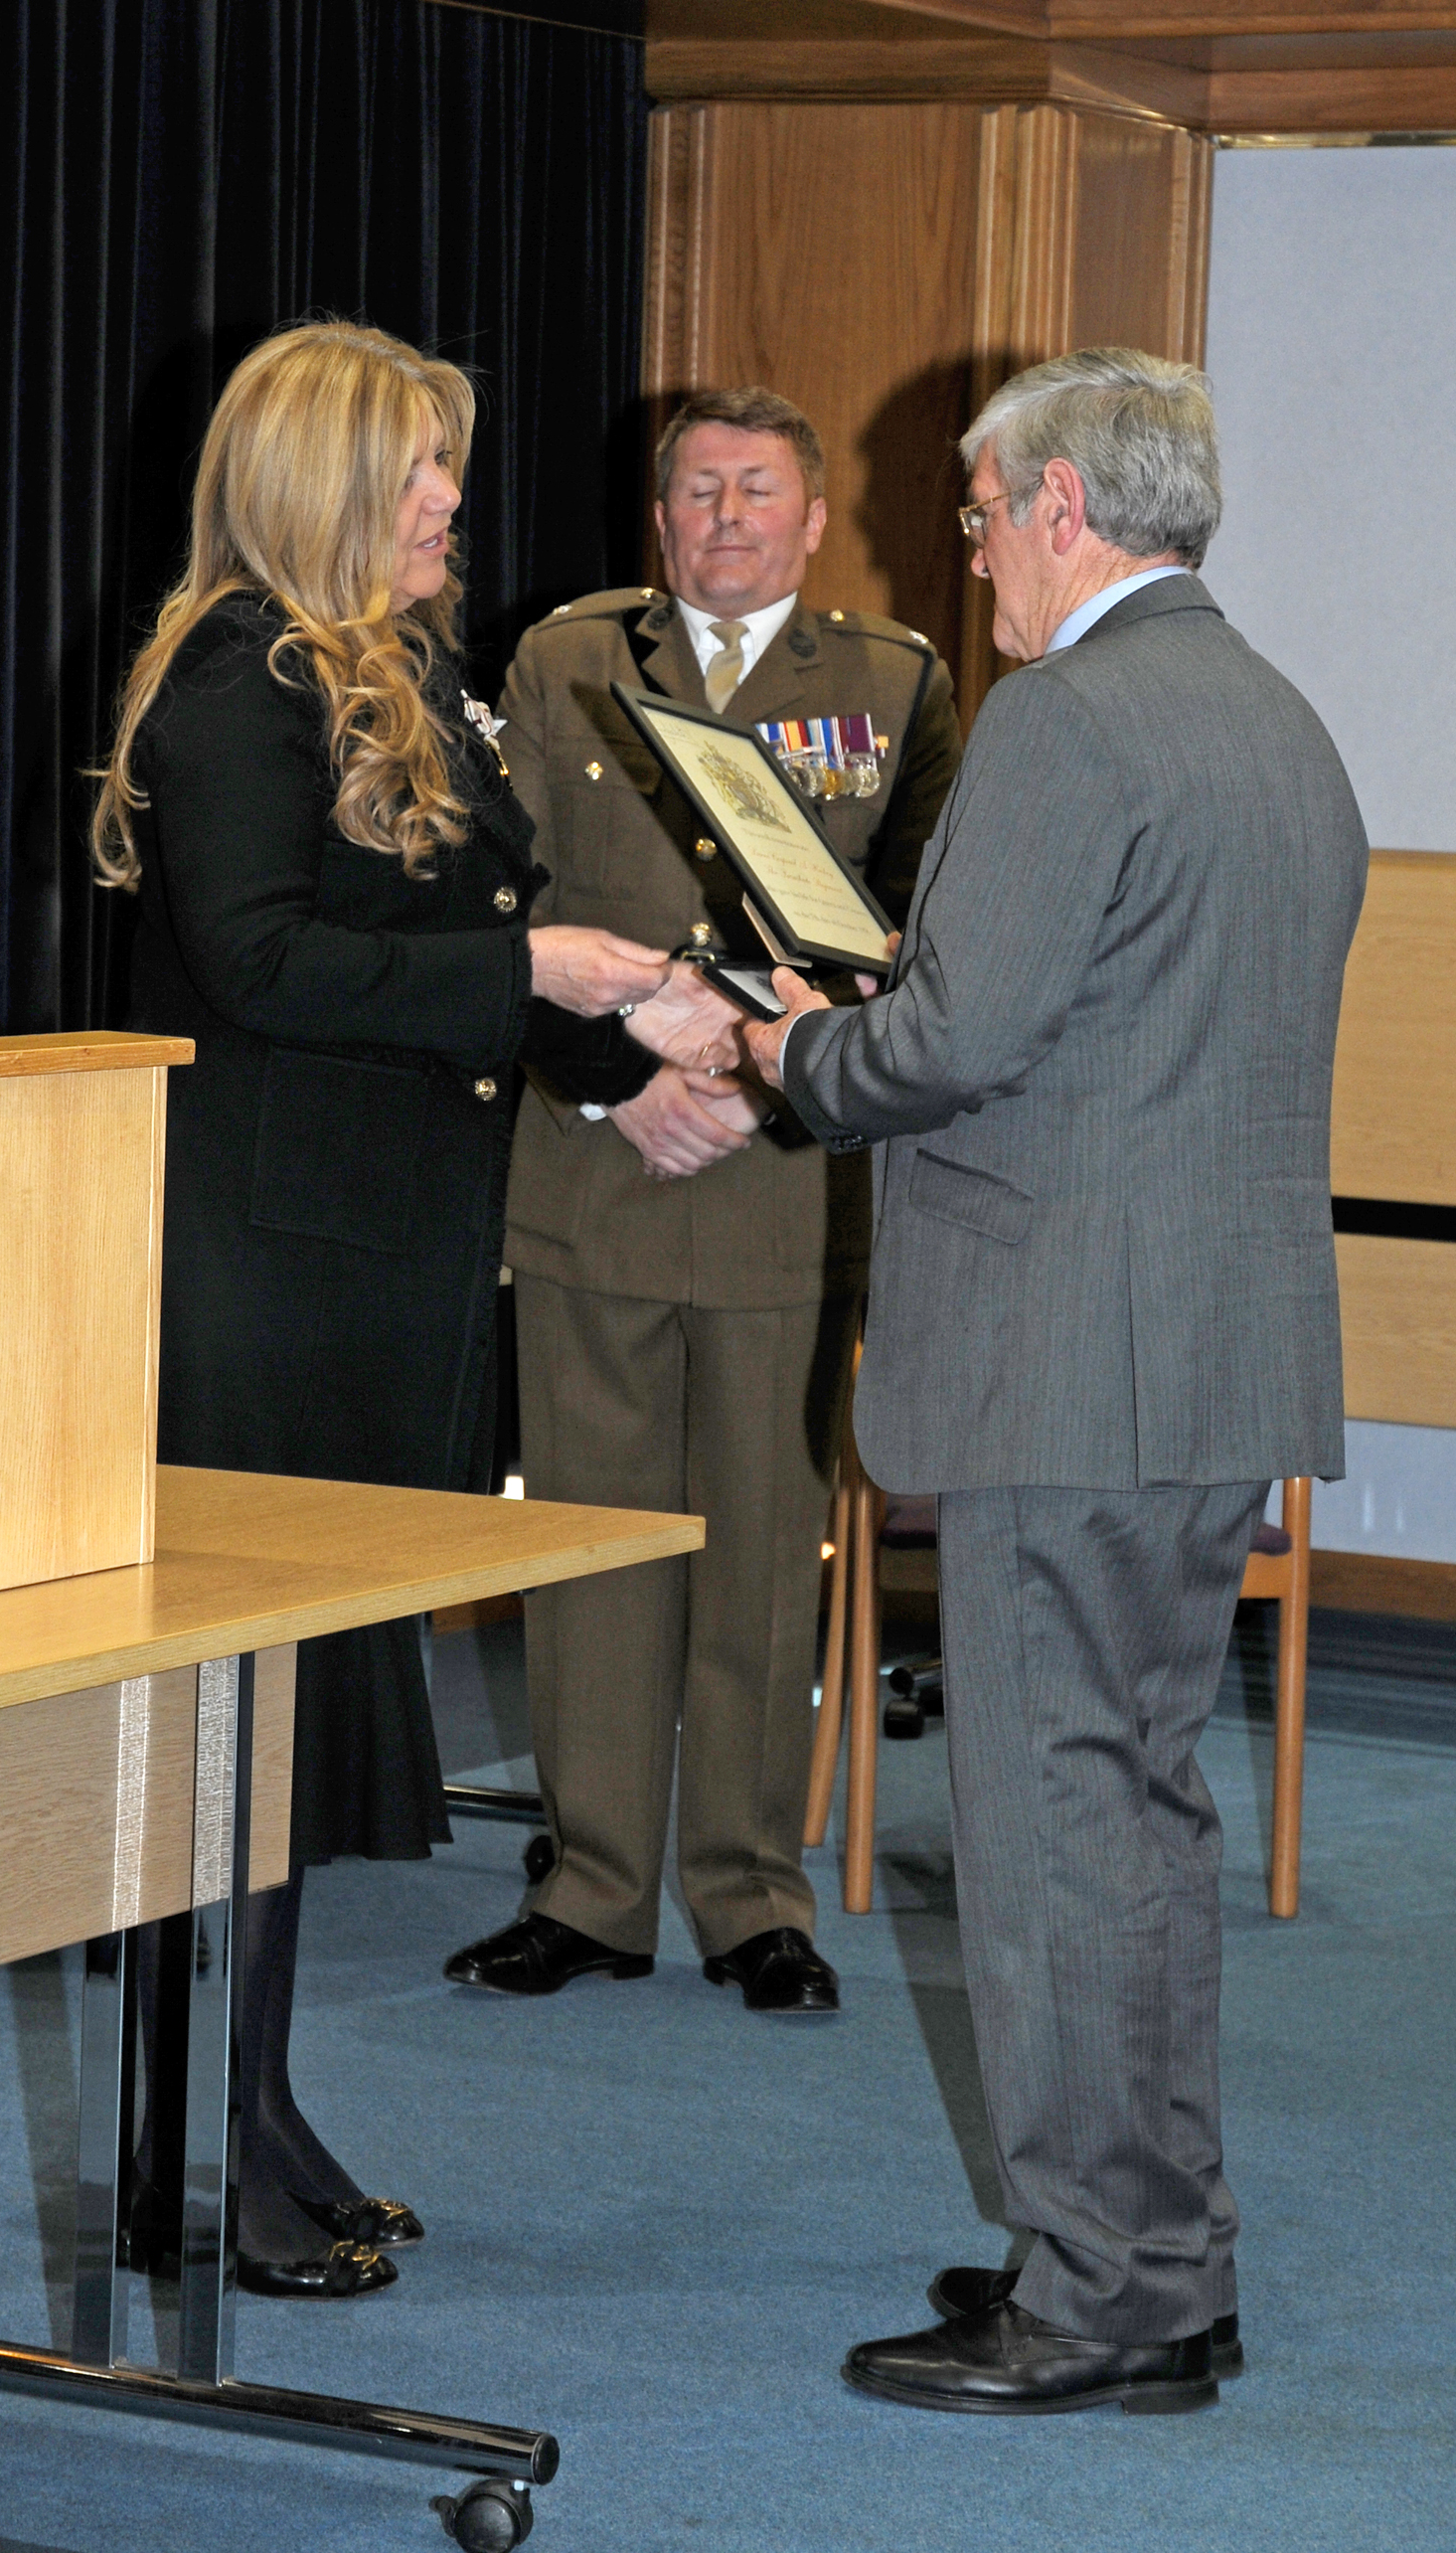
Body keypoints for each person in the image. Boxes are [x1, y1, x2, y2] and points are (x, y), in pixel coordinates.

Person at [744, 348, 1368, 2409]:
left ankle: (1106, 2301)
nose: (976, 552)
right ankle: (1151, 2259)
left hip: (1065, 1372)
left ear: (1068, 509)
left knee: (1056, 1831)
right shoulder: (1273, 716)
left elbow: (949, 1046)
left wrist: (795, 1051)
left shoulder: (1068, 721)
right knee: (1135, 1814)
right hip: (1202, 1361)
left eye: (986, 515)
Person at [93, 319, 728, 2297]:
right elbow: (267, 965)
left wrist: (650, 1056)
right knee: (242, 1728)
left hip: (375, 1271)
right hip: (269, 1276)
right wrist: (548, 981)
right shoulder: (240, 675)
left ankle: (254, 2114)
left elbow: (490, 943)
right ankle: (210, 2148)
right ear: (320, 487)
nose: (454, 498)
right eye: (417, 469)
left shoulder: (399, 673)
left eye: (449, 462)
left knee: (284, 1730)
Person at [445, 388, 962, 2017]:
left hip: (778, 1179)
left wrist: (752, 1086)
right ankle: (591, 1889)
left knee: (757, 1552)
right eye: (696, 492)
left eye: (756, 491)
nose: (725, 517)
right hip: (596, 1160)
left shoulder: (892, 682)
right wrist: (624, 1085)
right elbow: (504, 902)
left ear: (812, 522)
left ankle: (750, 1897)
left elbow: (923, 926)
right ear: (657, 518)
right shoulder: (566, 660)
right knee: (592, 1545)